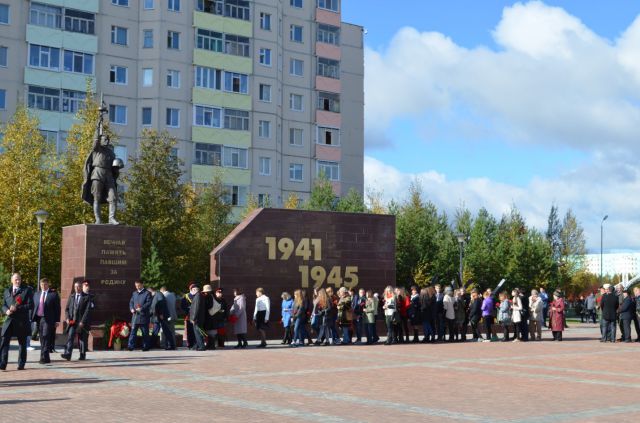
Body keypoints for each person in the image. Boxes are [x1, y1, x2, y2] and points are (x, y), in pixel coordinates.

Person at [1, 273, 34, 371]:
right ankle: (2, 363)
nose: (18, 281)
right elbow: (3, 305)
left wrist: (17, 308)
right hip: (9, 321)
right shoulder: (7, 291)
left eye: (19, 279)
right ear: (12, 280)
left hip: (21, 321)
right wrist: (6, 310)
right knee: (4, 341)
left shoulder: (27, 290)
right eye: (16, 279)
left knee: (22, 343)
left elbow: (30, 305)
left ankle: (21, 364)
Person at [31, 278, 61, 364]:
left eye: (45, 284)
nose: (43, 286)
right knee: (41, 338)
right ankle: (46, 357)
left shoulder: (53, 294)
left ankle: (43, 357)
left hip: (48, 319)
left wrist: (57, 321)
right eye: (42, 285)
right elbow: (33, 306)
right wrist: (31, 317)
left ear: (48, 285)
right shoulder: (36, 294)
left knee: (46, 336)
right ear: (40, 285)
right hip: (38, 318)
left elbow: (57, 308)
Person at [62, 281, 92, 361]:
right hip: (72, 322)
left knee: (82, 339)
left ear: (81, 287)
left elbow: (87, 311)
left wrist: (82, 321)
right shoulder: (72, 296)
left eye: (78, 286)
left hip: (81, 322)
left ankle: (82, 355)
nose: (77, 288)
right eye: (75, 287)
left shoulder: (86, 297)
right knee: (70, 336)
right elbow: (67, 309)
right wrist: (67, 318)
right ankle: (68, 354)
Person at [127, 280, 152, 351]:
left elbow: (149, 303)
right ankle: (130, 346)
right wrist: (131, 308)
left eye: (138, 286)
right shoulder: (134, 293)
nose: (137, 287)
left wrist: (141, 308)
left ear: (142, 284)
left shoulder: (147, 293)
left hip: (143, 317)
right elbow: (131, 302)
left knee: (145, 333)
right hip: (135, 316)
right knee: (133, 332)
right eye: (136, 286)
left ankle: (145, 346)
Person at [181, 283, 199, 349]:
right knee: (189, 331)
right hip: (189, 316)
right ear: (191, 289)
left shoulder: (197, 295)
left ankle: (196, 344)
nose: (196, 291)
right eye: (195, 289)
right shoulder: (186, 296)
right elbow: (182, 306)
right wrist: (189, 308)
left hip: (196, 316)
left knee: (196, 331)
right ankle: (190, 344)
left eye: (197, 289)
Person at [189, 285, 207, 351]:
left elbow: (196, 308)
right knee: (198, 332)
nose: (191, 292)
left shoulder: (197, 296)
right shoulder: (199, 295)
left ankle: (201, 346)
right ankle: (198, 345)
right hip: (199, 318)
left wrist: (193, 318)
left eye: (191, 290)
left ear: (194, 290)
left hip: (197, 319)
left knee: (197, 333)